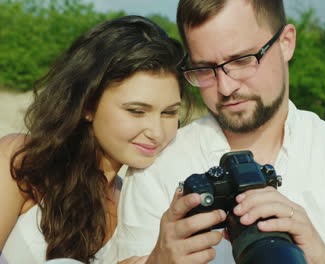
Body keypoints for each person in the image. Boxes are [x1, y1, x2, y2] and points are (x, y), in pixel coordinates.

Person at [118, 1, 325, 264]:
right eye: (205, 69)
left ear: (286, 43)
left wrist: (322, 256)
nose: (226, 87)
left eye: (241, 60)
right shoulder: (161, 164)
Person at [0, 15, 189, 264]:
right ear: (87, 104)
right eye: (136, 111)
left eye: (169, 113)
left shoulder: (136, 203)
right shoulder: (23, 161)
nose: (157, 132)